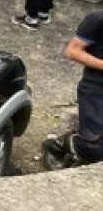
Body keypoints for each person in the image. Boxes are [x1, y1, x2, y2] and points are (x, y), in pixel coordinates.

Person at [42, 13, 103, 166]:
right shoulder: (96, 20)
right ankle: (66, 144)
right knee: (95, 147)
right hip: (95, 89)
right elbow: (72, 51)